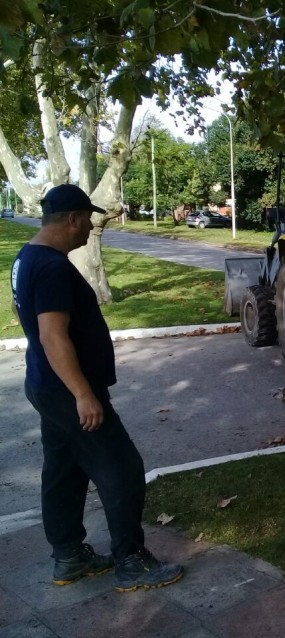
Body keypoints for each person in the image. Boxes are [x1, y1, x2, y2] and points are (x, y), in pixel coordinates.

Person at [10, 184, 184, 592]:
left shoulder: (27, 257)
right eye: (87, 219)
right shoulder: (51, 267)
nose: (91, 228)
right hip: (68, 391)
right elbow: (52, 336)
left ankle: (69, 556)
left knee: (64, 470)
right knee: (122, 468)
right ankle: (131, 562)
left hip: (47, 385)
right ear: (72, 219)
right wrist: (83, 394)